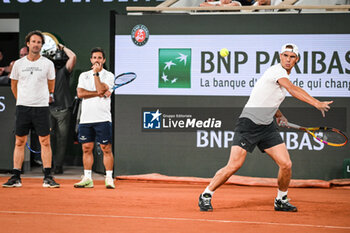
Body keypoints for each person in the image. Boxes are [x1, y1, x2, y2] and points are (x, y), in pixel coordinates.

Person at [198, 43, 333, 212]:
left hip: (267, 126)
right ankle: (206, 194)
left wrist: (279, 115)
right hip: (248, 123)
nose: (288, 59)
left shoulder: (283, 74)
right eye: (285, 55)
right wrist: (316, 103)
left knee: (286, 164)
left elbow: (268, 98)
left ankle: (281, 199)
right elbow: (292, 89)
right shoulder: (277, 71)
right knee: (234, 165)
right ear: (280, 56)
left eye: (292, 57)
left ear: (297, 59)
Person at [2, 30, 60, 188]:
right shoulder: (19, 64)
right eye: (33, 42)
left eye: (39, 42)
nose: (36, 44)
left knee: (45, 142)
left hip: (41, 108)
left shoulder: (47, 64)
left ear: (41, 45)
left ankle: (47, 177)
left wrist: (41, 97)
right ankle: (16, 177)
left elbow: (51, 84)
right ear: (28, 44)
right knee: (20, 141)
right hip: (23, 108)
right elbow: (14, 84)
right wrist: (22, 99)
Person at [74, 47, 115, 189]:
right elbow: (80, 94)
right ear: (91, 59)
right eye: (94, 58)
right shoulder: (83, 76)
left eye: (99, 58)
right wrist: (98, 93)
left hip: (103, 118)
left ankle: (109, 178)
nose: (96, 60)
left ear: (103, 60)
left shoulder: (109, 76)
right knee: (86, 148)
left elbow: (101, 89)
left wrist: (97, 75)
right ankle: (87, 178)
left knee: (106, 148)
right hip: (86, 119)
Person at [48, 43, 76, 174]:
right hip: (48, 109)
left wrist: (63, 47)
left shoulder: (63, 72)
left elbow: (73, 57)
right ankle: (48, 165)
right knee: (48, 138)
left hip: (63, 110)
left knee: (61, 139)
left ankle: (58, 165)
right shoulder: (44, 76)